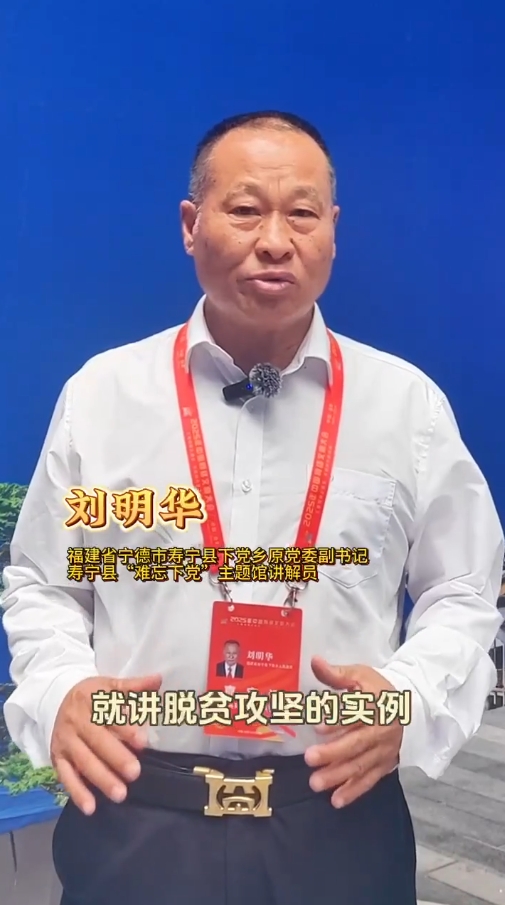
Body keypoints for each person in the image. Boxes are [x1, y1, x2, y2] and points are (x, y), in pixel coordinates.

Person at [1, 110, 503, 905]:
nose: (275, 240)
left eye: (301, 213)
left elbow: (463, 587)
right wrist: (62, 686)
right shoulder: (103, 396)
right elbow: (44, 583)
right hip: (137, 812)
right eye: (244, 209)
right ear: (190, 225)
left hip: (336, 817)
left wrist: (408, 696)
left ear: (332, 229)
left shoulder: (404, 406)